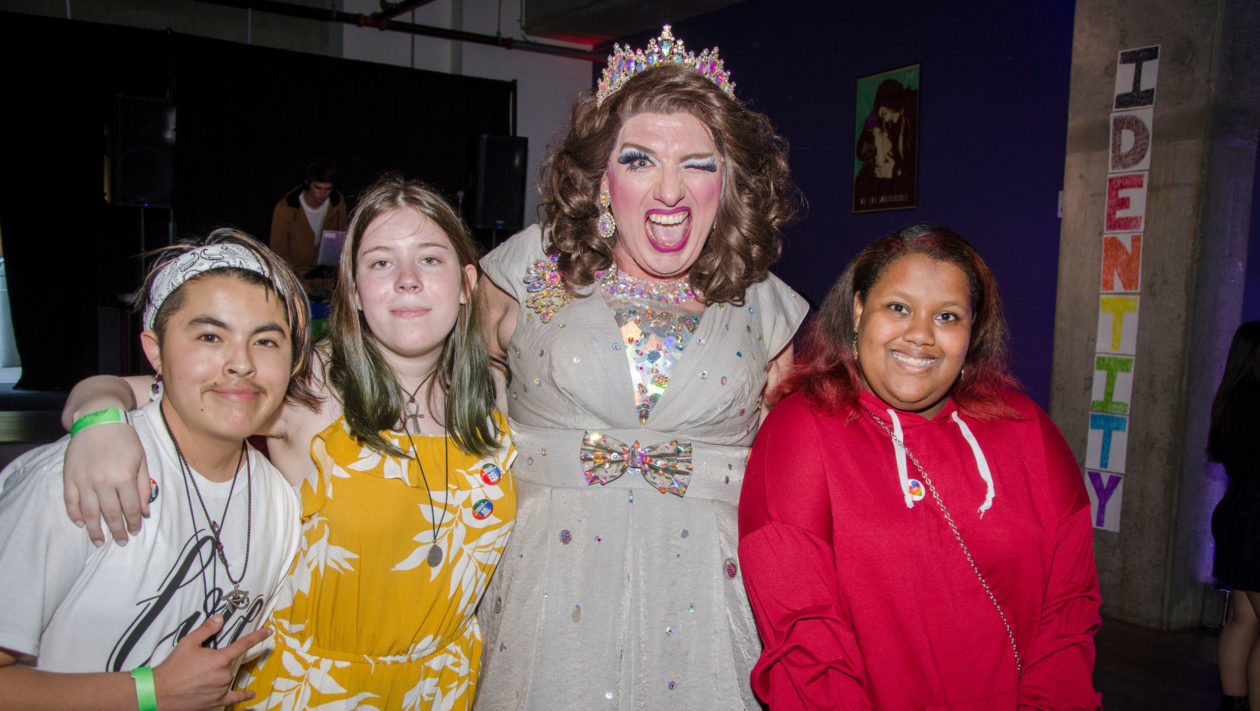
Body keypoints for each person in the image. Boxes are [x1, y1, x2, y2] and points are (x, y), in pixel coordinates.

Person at [59, 175, 515, 710]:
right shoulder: (309, 388)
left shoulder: (492, 391)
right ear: (354, 289)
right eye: (381, 262)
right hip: (314, 692)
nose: (407, 280)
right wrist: (98, 422)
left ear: (465, 284)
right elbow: (122, 388)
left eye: (430, 260)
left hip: (445, 687)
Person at [474, 25, 807, 710]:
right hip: (546, 600)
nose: (669, 191)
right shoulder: (532, 271)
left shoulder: (764, 307)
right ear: (601, 178)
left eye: (698, 162)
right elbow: (454, 402)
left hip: (708, 612)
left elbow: (796, 478)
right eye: (638, 159)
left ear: (730, 181)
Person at [739, 225, 1102, 709]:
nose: (920, 335)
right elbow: (805, 639)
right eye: (899, 307)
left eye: (947, 316)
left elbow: (1068, 612)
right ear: (859, 309)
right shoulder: (800, 433)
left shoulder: (1029, 432)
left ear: (972, 333)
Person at [0, 229, 313, 709]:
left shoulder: (278, 501)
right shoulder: (76, 480)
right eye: (210, 336)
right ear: (154, 351)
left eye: (266, 341)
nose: (241, 364)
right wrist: (149, 692)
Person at [1209, 322, 1260, 711]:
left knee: (1242, 617)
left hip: (1236, 510)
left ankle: (1234, 702)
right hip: (1256, 516)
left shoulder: (1231, 397)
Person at [270, 159, 349, 291]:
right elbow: (278, 251)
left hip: (325, 275)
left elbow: (342, 243)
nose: (322, 194)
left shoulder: (337, 205)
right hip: (296, 275)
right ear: (307, 185)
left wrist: (335, 276)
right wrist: (295, 280)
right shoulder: (286, 208)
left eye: (327, 189)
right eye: (317, 188)